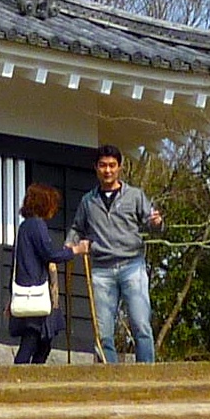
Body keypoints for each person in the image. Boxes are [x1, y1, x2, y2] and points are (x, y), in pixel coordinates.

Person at [70, 145, 164, 363]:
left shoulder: (135, 195)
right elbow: (77, 228)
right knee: (102, 332)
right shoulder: (88, 201)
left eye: (112, 165)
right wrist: (70, 247)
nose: (108, 170)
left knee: (141, 324)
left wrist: (157, 223)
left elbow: (152, 222)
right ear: (96, 168)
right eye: (103, 165)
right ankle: (109, 378)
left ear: (120, 167)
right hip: (101, 269)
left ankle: (146, 374)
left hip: (132, 265)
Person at [8, 182, 85, 365]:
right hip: (37, 289)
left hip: (25, 287)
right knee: (34, 338)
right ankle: (20, 378)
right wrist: (74, 251)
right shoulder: (37, 225)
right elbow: (48, 254)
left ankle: (30, 376)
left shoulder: (25, 227)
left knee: (42, 341)